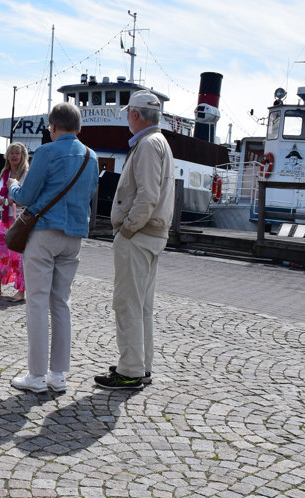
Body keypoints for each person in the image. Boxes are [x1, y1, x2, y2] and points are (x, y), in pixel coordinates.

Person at [6, 102, 97, 393]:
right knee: (61, 303)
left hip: (44, 233)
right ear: (79, 128)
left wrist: (12, 187)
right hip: (74, 236)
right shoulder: (91, 157)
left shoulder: (47, 151)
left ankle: (35, 376)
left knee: (37, 301)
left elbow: (28, 195)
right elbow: (89, 195)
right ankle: (58, 374)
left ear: (53, 126)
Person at [95, 90, 175, 390]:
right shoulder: (159, 143)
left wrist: (127, 228)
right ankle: (141, 365)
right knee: (141, 305)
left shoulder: (147, 145)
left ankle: (130, 369)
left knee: (127, 303)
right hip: (152, 234)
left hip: (139, 236)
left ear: (135, 115)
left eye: (128, 112)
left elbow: (147, 196)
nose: (127, 116)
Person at [0, 142, 29, 301]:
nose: (14, 156)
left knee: (20, 256)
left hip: (20, 221)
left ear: (22, 156)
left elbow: (25, 199)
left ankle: (21, 291)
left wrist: (5, 202)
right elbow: (2, 198)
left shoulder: (26, 174)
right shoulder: (5, 173)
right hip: (5, 220)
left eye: (17, 153)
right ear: (7, 156)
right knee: (0, 252)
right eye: (11, 153)